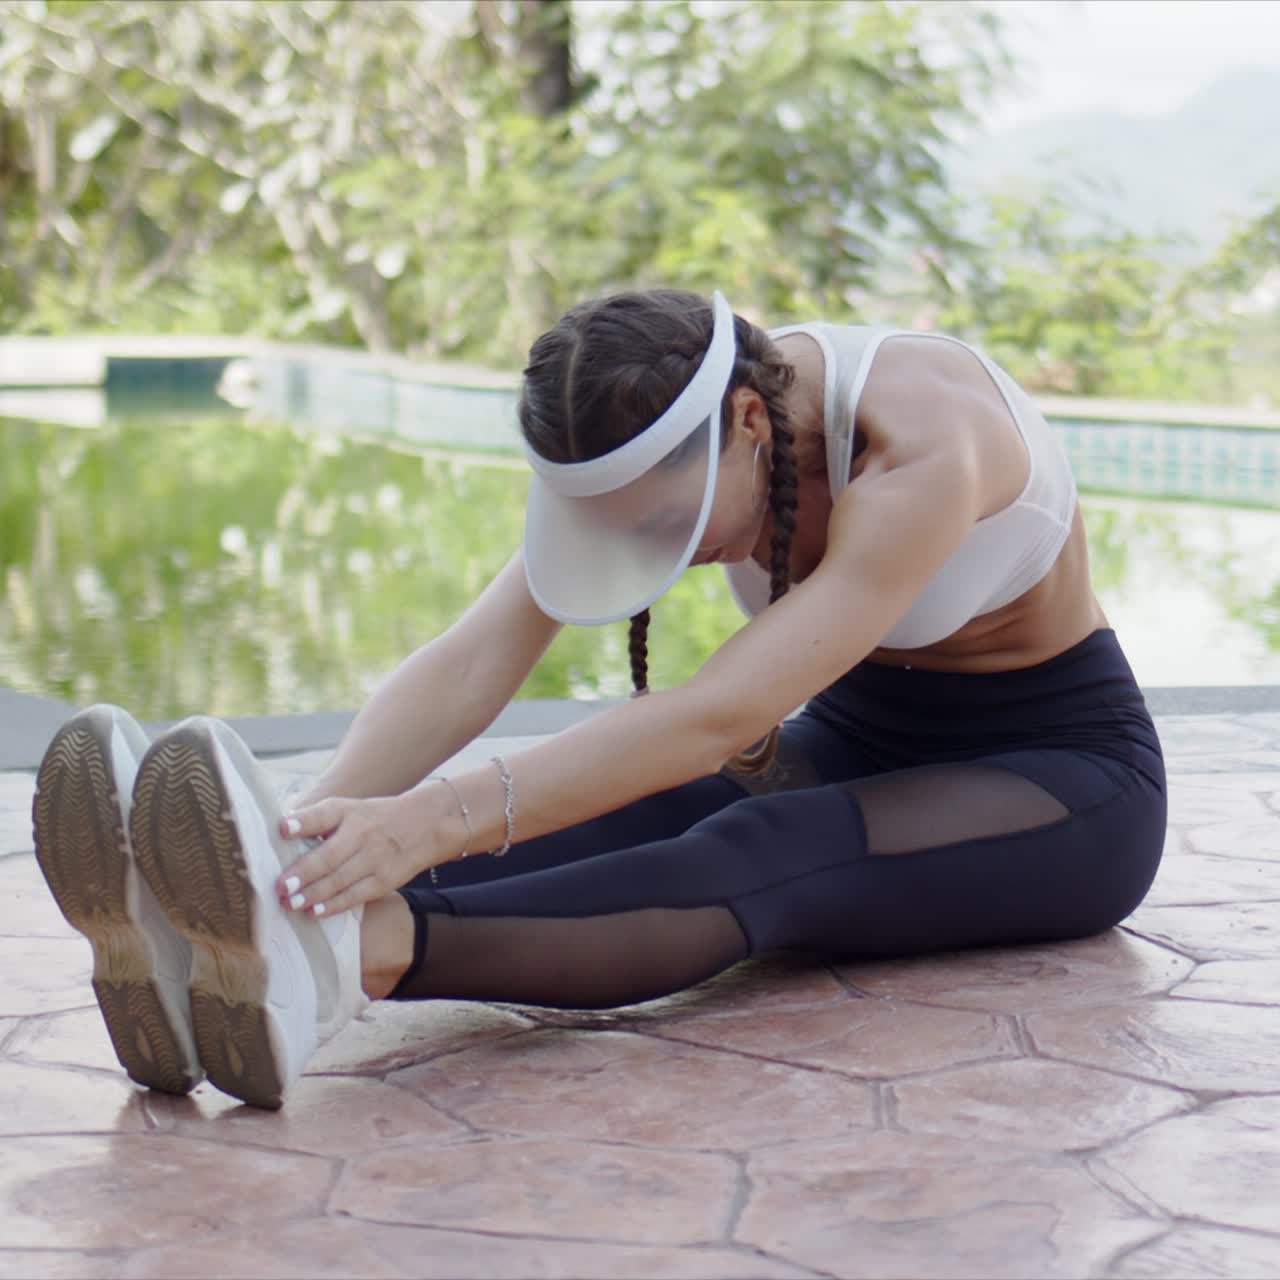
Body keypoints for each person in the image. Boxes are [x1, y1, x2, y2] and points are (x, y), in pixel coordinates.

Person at [32, 289, 1166, 1110]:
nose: (647, 549)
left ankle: (350, 957)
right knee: (601, 810)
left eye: (663, 523)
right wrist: (310, 829)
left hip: (1058, 781)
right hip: (856, 737)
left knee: (762, 841)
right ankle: (250, 916)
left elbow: (717, 713)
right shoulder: (662, 411)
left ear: (749, 425)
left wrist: (435, 816)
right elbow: (477, 657)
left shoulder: (920, 441)